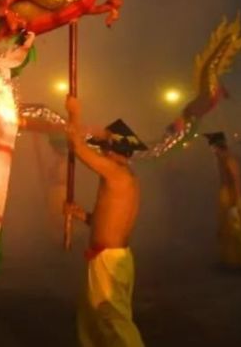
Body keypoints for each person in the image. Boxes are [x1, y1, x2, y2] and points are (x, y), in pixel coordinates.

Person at [63, 95, 147, 347]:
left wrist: (74, 113)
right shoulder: (120, 176)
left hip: (110, 260)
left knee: (112, 319)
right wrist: (83, 216)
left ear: (113, 150)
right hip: (107, 258)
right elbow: (110, 220)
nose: (99, 150)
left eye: (102, 147)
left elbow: (77, 148)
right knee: (92, 316)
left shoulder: (117, 172)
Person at [203, 131, 241, 271]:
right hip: (225, 196)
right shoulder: (221, 159)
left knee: (236, 230)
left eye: (212, 147)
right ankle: (228, 260)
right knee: (224, 231)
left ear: (217, 146)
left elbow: (236, 182)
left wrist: (235, 205)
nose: (211, 150)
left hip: (231, 196)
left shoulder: (229, 160)